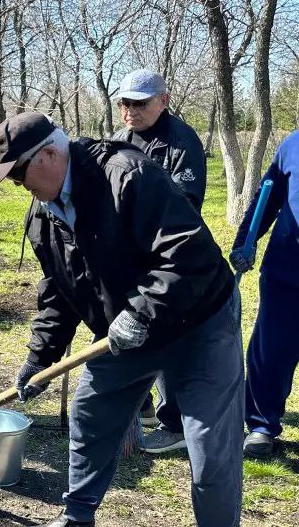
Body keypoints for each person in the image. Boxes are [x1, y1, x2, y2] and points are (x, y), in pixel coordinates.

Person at [0, 112, 243, 527]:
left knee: (209, 451)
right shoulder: (42, 218)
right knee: (90, 413)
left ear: (50, 154)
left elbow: (187, 253)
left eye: (19, 174)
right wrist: (40, 360)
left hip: (199, 321)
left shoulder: (128, 176)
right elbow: (59, 293)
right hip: (128, 330)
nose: (19, 185)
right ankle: (77, 516)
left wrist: (140, 312)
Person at [111, 69, 208, 449]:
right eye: (125, 103)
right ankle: (143, 406)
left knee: (166, 330)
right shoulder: (119, 140)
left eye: (141, 102)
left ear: (163, 100)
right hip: (129, 253)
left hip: (169, 255)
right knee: (127, 326)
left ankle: (175, 423)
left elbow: (184, 206)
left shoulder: (182, 142)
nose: (131, 110)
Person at [228, 130, 299, 458]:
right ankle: (261, 426)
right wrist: (246, 239)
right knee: (270, 351)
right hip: (287, 268)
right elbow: (267, 197)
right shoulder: (292, 145)